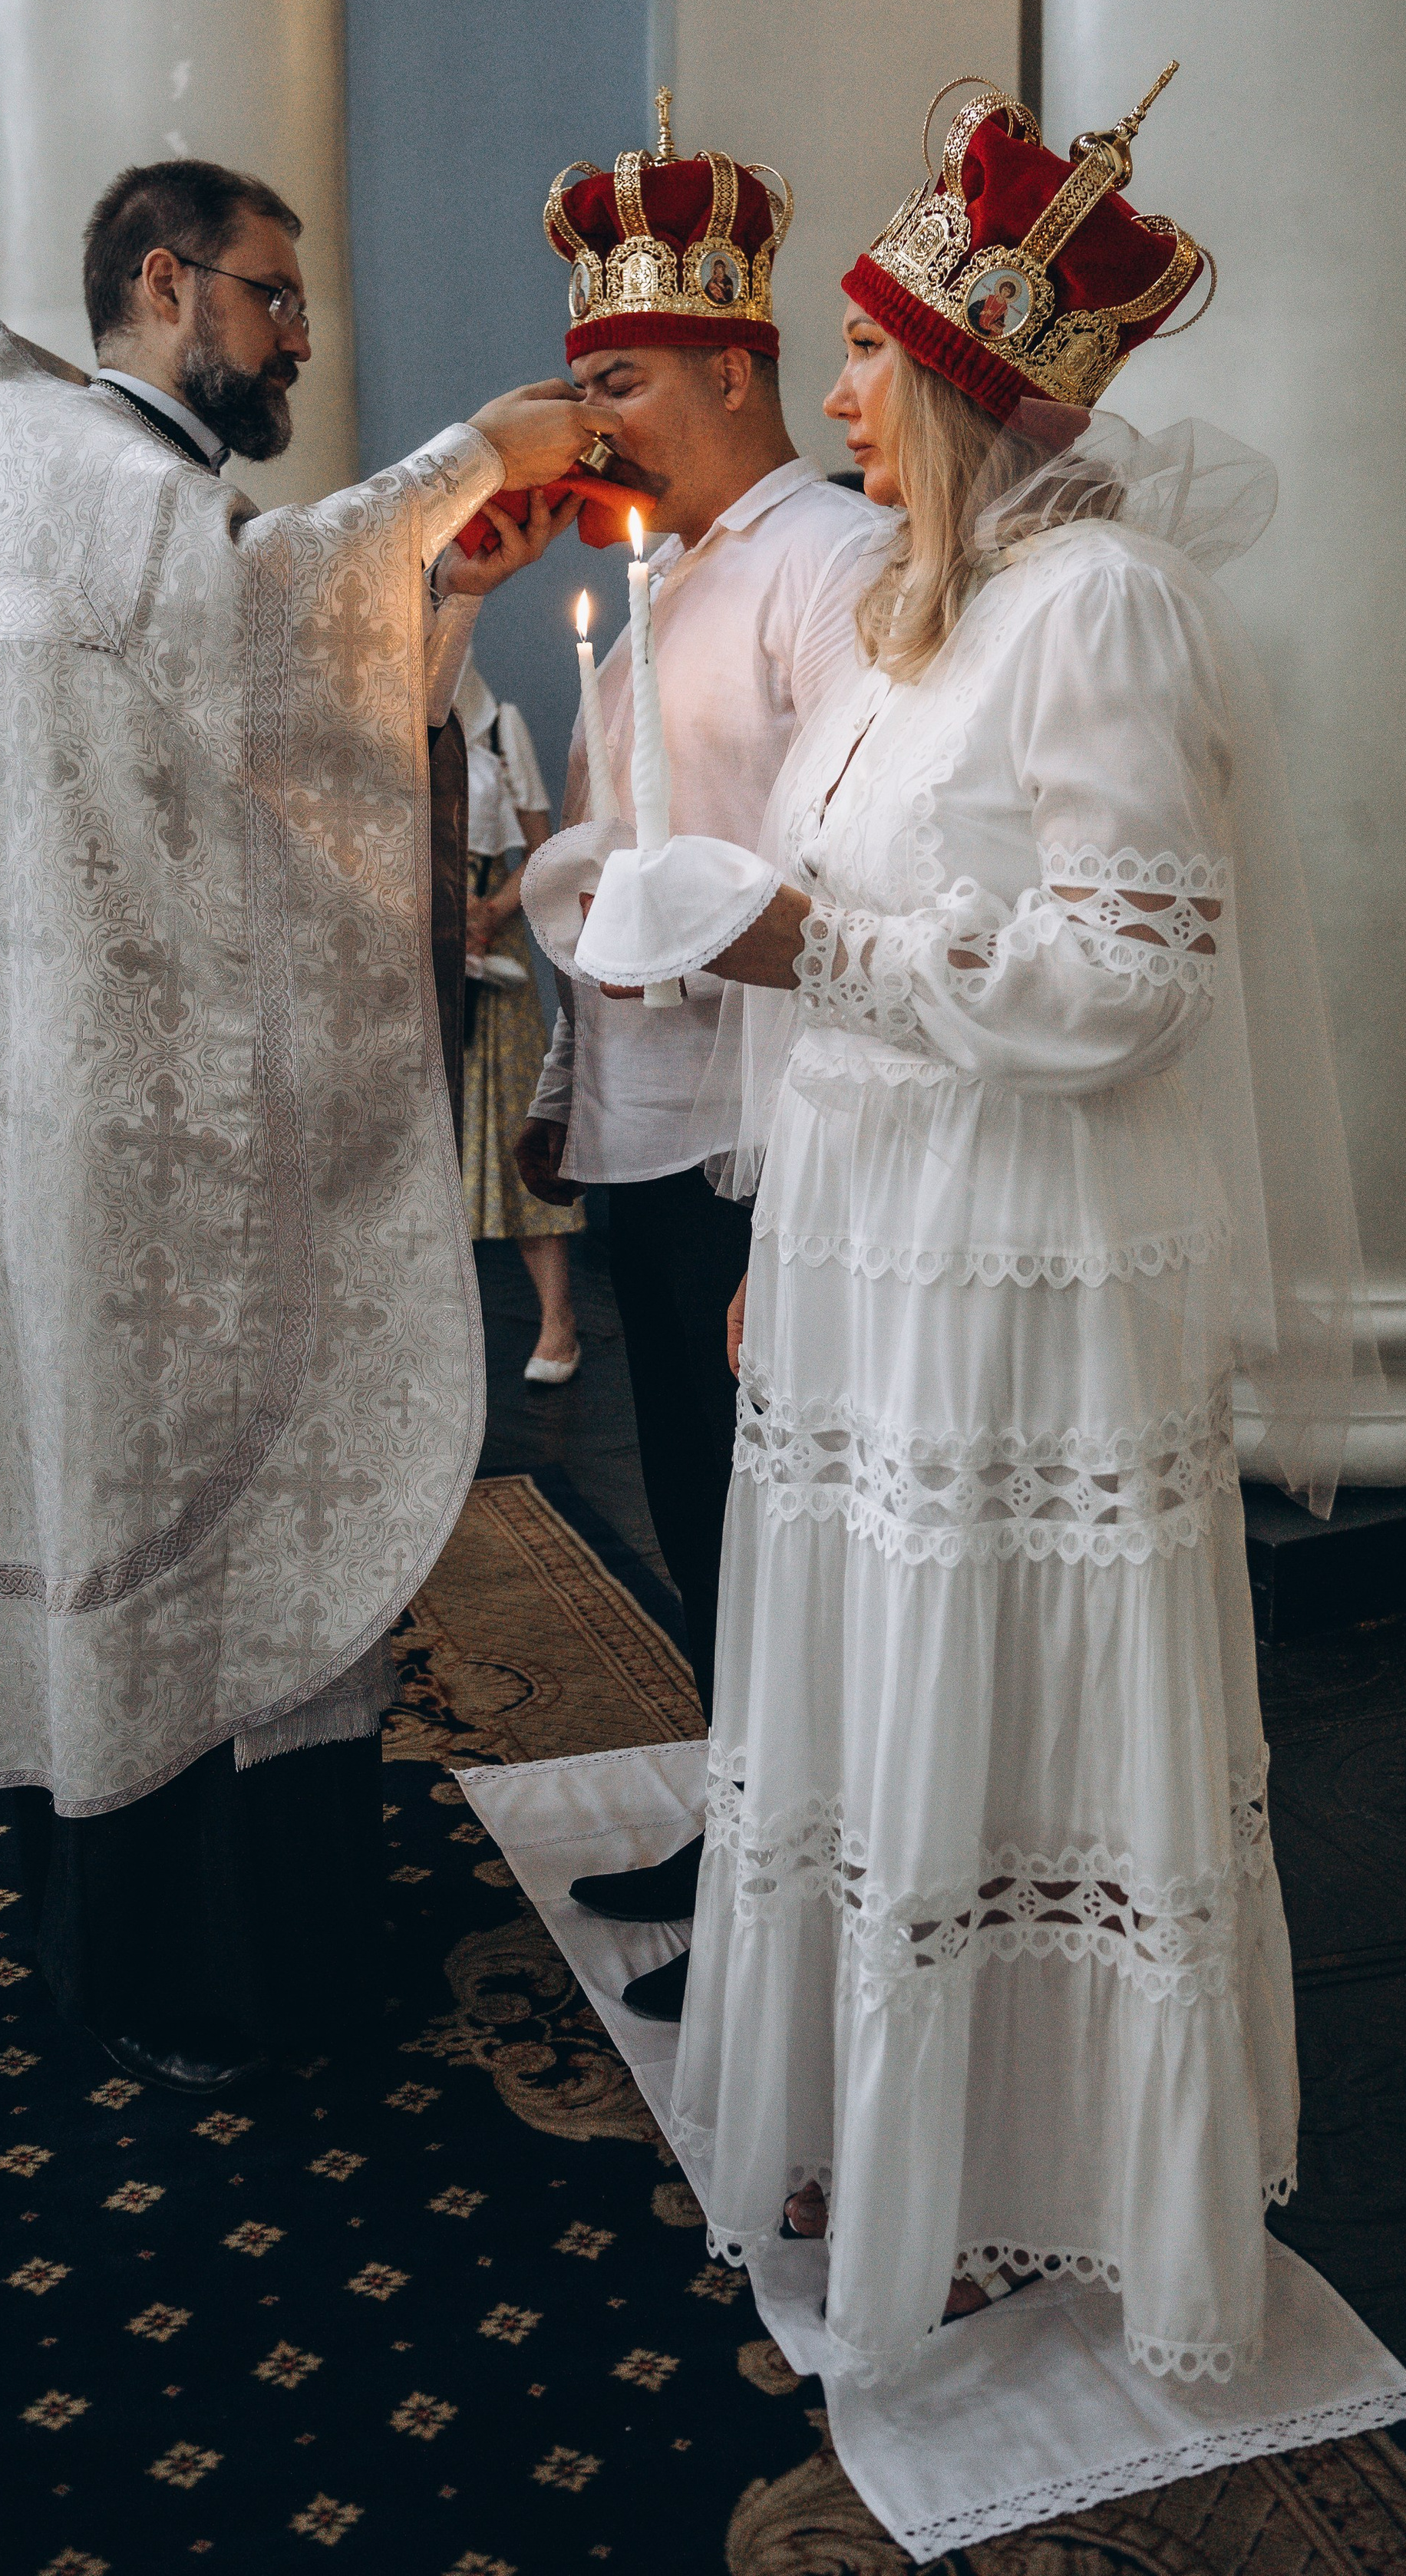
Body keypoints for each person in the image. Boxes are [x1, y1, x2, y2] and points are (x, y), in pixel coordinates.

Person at [574, 75, 1369, 2386]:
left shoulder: (1097, 605)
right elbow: (879, 917)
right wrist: (781, 1224)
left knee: (1001, 1701)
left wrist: (801, 956)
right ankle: (876, 2110)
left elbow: (1131, 977)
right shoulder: (942, 610)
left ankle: (1030, 2162)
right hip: (873, 1259)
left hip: (1022, 1274)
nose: (824, 399)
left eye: (851, 360)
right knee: (868, 1686)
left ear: (943, 383)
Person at [0, 157, 599, 2095]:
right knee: (183, 1515)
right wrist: (468, 455)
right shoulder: (97, 477)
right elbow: (260, 632)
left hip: (152, 1114)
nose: (294, 335)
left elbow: (268, 739)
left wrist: (435, 591)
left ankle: (251, 1930)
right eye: (271, 298)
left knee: (220, 1518)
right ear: (165, 281)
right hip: (143, 1144)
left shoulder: (113, 484)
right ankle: (202, 1973)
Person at [514, 99, 889, 2017]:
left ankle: (796, 1904)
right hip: (658, 1124)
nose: (590, 410)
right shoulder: (662, 571)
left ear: (738, 367)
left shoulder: (827, 558)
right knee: (694, 1503)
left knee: (779, 1520)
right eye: (580, 372)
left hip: (768, 1135)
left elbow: (861, 858)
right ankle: (743, 1821)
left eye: (625, 373)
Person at [454, 654, 584, 1381]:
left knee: (511, 1122)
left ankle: (559, 1322)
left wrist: (488, 912)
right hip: (416, 939)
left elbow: (543, 848)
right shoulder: (402, 727)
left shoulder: (500, 728)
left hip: (488, 934)